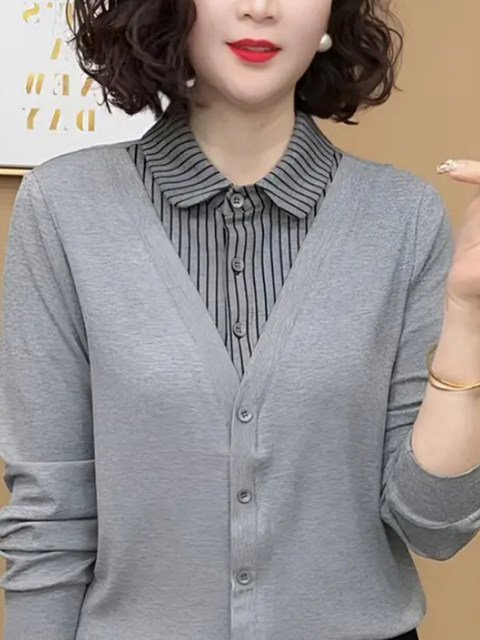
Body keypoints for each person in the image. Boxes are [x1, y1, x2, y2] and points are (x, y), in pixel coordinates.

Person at [0, 0, 480, 639]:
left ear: (331, 16)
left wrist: (468, 318)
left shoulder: (403, 218)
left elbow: (433, 527)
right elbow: (49, 519)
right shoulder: (65, 208)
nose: (260, 8)